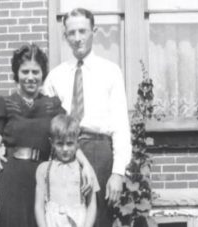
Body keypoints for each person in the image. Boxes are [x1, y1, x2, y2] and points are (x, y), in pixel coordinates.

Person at [0, 44, 94, 227]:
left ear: (43, 74)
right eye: (25, 72)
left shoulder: (52, 105)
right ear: (16, 74)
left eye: (36, 72)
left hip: (42, 180)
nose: (30, 77)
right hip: (11, 179)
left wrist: (86, 164)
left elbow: (70, 137)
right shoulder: (4, 103)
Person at [43, 8, 132, 227]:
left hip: (98, 151)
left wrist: (118, 173)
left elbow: (121, 124)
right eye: (71, 33)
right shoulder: (55, 76)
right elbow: (41, 121)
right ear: (65, 36)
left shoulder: (110, 71)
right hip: (64, 151)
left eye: (82, 31)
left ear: (94, 31)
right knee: (63, 217)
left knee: (98, 220)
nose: (77, 38)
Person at [35, 114, 98, 227]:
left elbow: (92, 204)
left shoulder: (85, 171)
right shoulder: (44, 169)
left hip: (78, 222)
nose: (65, 149)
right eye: (59, 144)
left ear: (77, 142)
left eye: (69, 143)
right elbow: (39, 206)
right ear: (52, 143)